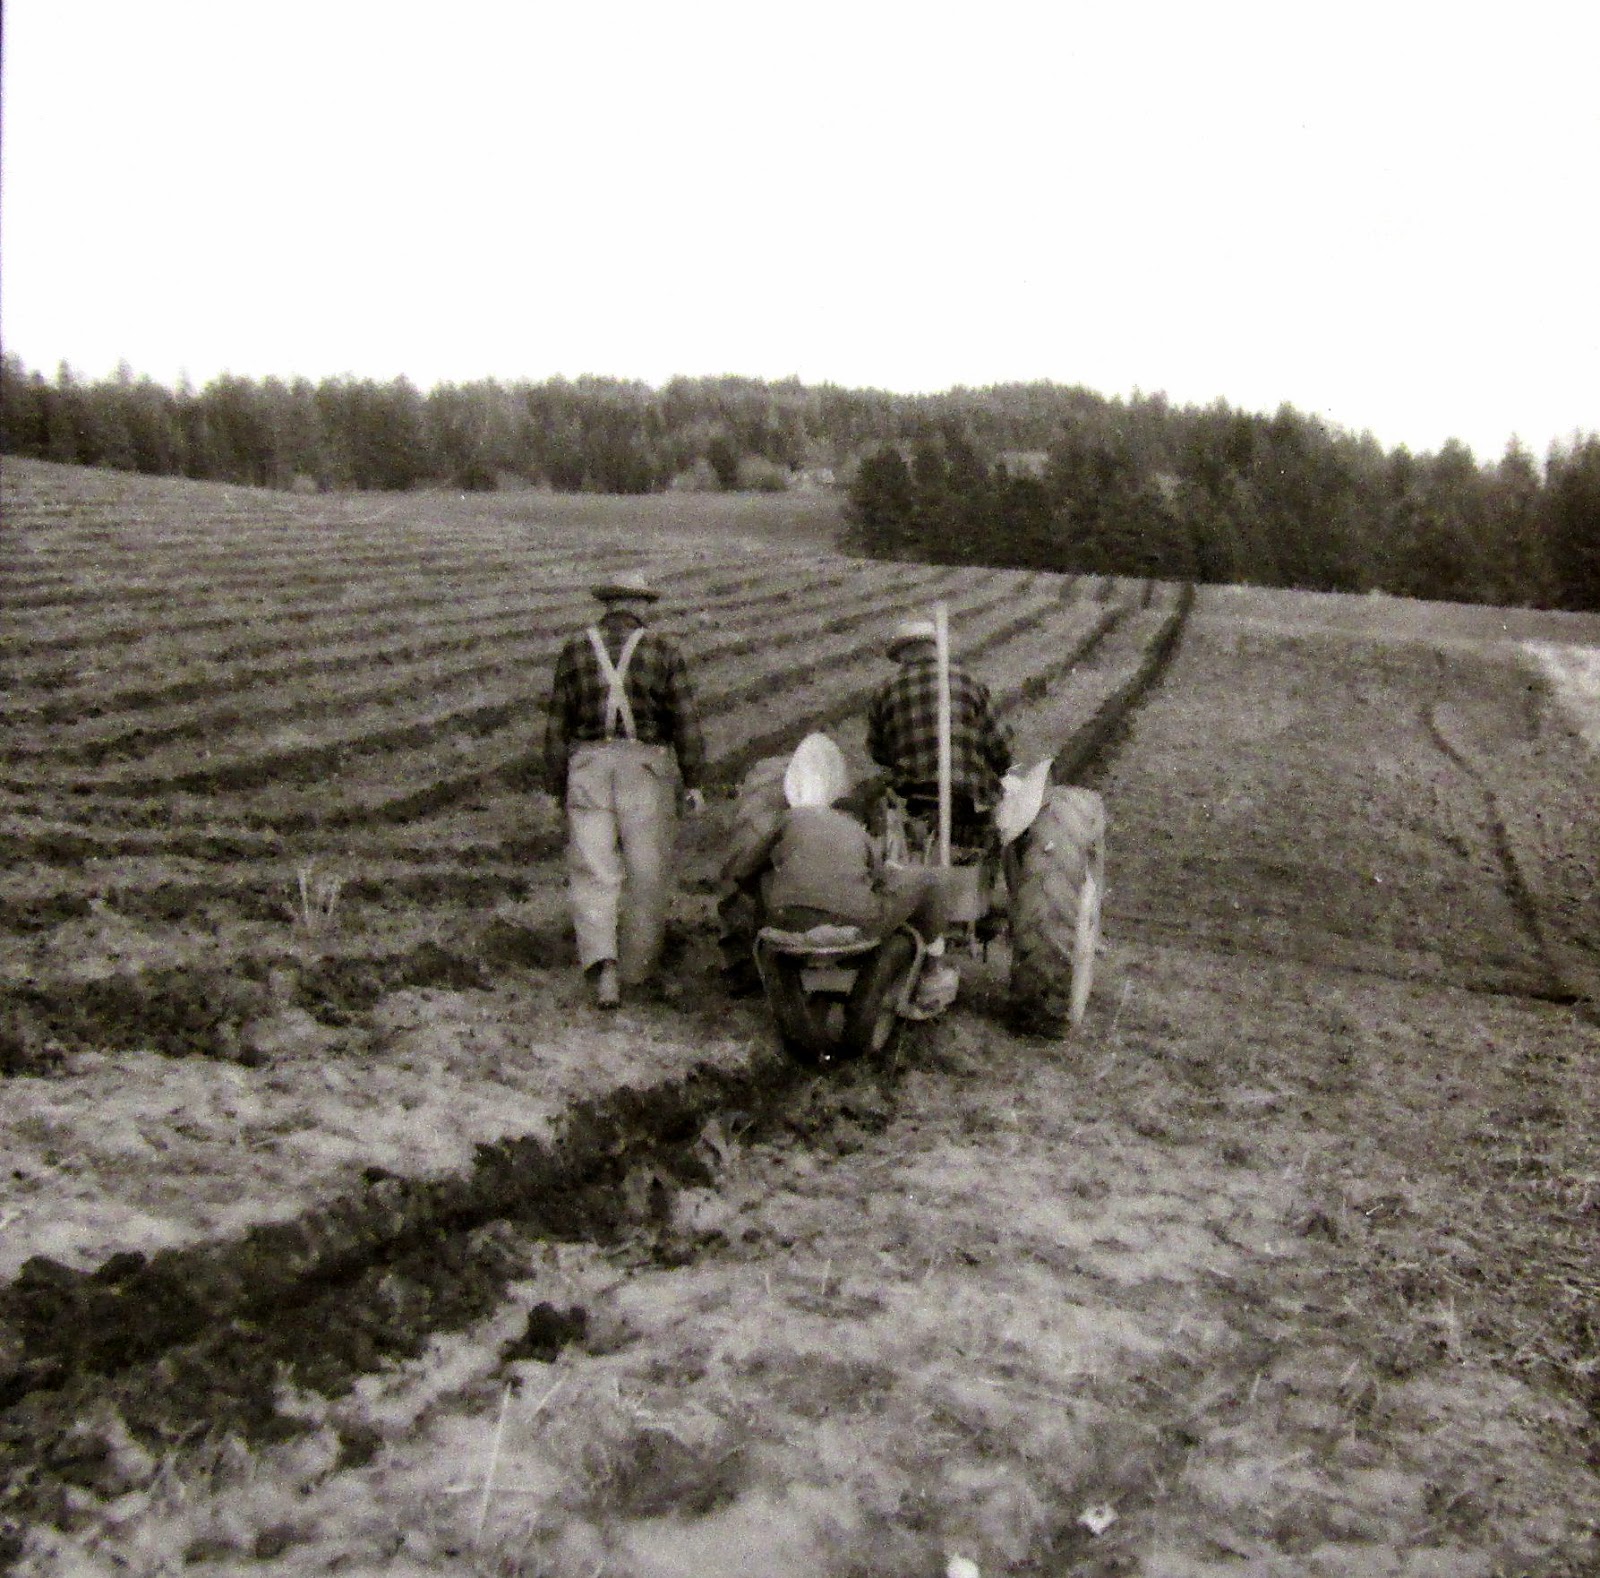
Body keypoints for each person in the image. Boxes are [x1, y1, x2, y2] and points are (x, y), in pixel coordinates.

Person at [543, 570, 706, 1008]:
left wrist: (556, 786)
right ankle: (638, 971)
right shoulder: (664, 650)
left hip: (589, 765)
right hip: (644, 766)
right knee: (646, 870)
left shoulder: (576, 650)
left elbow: (556, 725)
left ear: (609, 605)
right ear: (642, 606)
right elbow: (686, 724)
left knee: (593, 868)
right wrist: (693, 781)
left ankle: (604, 969)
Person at [723, 733, 958, 1005]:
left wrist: (768, 894)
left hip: (784, 919)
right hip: (856, 922)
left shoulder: (789, 819)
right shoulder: (856, 831)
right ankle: (933, 968)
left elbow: (742, 872)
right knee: (931, 883)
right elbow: (879, 880)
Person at [866, 618, 1013, 851]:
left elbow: (878, 753)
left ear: (902, 654)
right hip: (968, 798)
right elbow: (1000, 748)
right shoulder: (968, 680)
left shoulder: (884, 691)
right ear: (936, 648)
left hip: (914, 798)